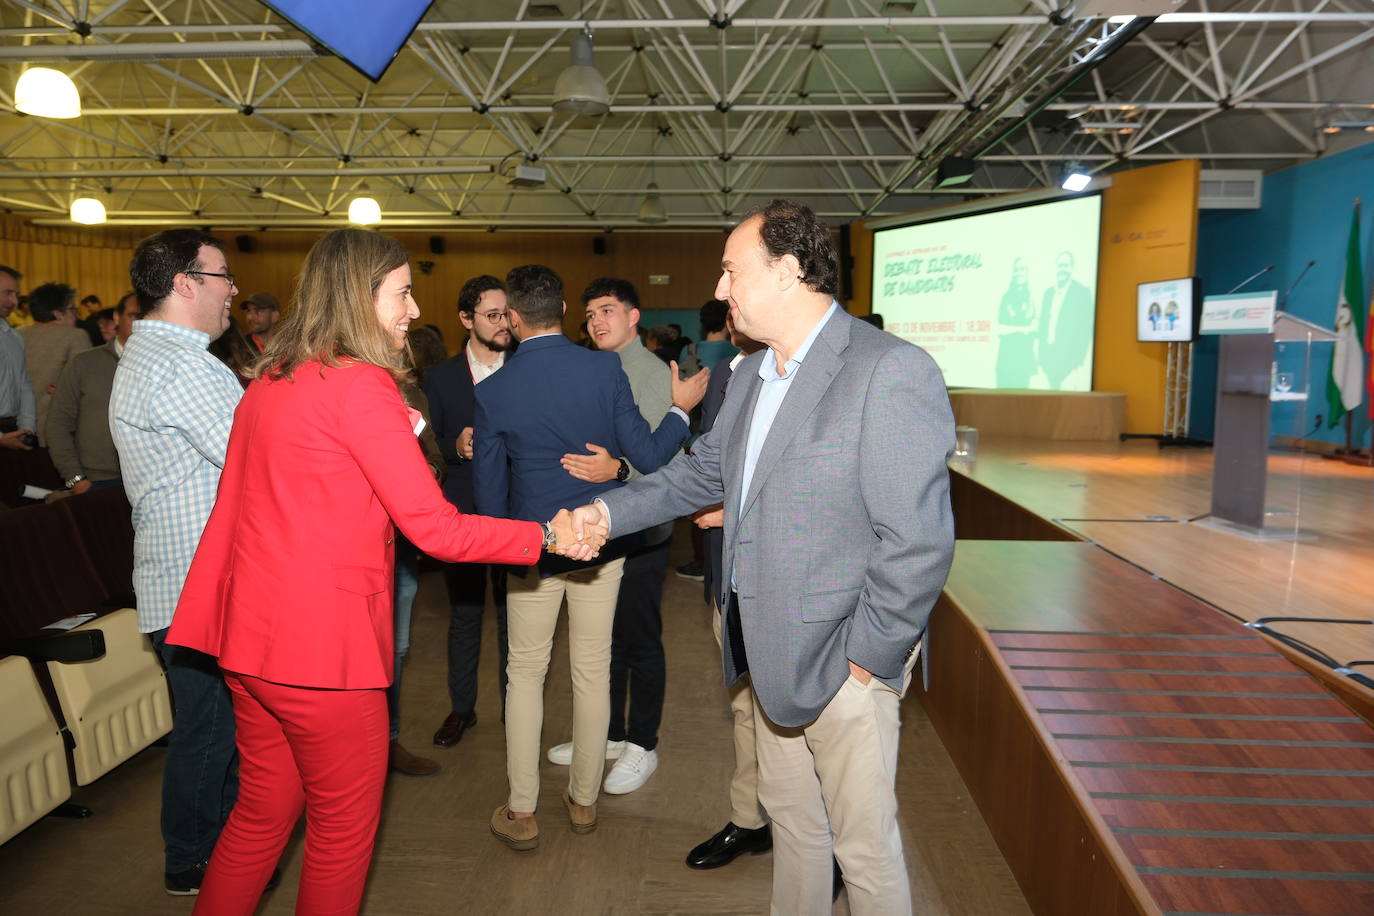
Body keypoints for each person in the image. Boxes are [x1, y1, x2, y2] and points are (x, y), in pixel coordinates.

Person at [166, 230, 604, 916]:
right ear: (358, 297)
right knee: (341, 837)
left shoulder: (274, 379)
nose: (410, 307)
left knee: (258, 818)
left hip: (248, 641)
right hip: (320, 655)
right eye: (400, 292)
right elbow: (435, 528)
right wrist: (545, 533)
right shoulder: (360, 386)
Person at [571, 199, 955, 915]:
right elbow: (696, 475)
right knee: (795, 828)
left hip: (845, 661)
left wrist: (865, 661)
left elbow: (919, 542)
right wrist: (604, 512)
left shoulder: (889, 370)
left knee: (864, 851)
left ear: (786, 271)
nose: (721, 292)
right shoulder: (747, 375)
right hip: (761, 649)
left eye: (731, 271)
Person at [473, 264, 705, 851]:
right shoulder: (604, 369)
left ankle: (522, 810)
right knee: (593, 671)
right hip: (602, 544)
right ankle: (583, 802)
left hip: (531, 550)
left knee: (524, 676)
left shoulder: (494, 390)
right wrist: (679, 410)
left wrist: (508, 552)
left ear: (516, 319)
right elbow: (650, 458)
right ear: (562, 309)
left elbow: (487, 495)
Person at [109, 229, 247, 896]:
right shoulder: (182, 365)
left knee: (210, 727)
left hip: (180, 578)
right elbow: (257, 463)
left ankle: (210, 855)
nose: (232, 292)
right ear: (186, 283)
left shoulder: (153, 356)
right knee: (212, 729)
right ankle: (196, 860)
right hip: (200, 585)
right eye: (223, 277)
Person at [545, 276, 702, 795]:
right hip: (597, 528)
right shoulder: (594, 368)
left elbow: (667, 467)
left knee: (638, 638)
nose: (597, 322)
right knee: (601, 639)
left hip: (641, 531)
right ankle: (608, 735)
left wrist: (615, 473)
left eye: (608, 311)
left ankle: (642, 743)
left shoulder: (654, 374)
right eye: (590, 314)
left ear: (635, 317)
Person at [683, 315, 772, 870]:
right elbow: (706, 466)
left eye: (735, 277)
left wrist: (732, 513)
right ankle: (750, 819)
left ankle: (827, 839)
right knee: (744, 708)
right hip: (727, 580)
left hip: (786, 592)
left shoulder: (814, 376)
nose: (725, 295)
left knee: (809, 728)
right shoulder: (724, 376)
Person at [423, 274, 515, 749]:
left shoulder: (525, 366)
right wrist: (454, 446)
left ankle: (513, 710)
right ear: (466, 319)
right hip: (460, 515)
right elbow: (424, 446)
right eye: (493, 315)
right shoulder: (439, 378)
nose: (504, 324)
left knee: (513, 616)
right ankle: (462, 709)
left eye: (507, 314)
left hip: (516, 514)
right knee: (464, 615)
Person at [46, 292, 141, 494]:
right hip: (99, 482)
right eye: (135, 316)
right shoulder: (84, 363)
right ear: (117, 317)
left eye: (150, 318)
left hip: (152, 482)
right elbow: (58, 423)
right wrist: (75, 478)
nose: (143, 325)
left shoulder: (166, 366)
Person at [19, 282, 91, 446]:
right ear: (58, 314)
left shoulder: (16, 334)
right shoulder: (75, 336)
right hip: (55, 432)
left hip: (16, 432)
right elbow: (84, 385)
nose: (76, 315)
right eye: (72, 309)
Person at [1036, 250, 1094, 390]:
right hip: (1048, 359)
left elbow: (1085, 331)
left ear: (1072, 268)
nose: (1062, 269)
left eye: (1066, 265)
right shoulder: (1048, 293)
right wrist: (1041, 357)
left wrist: (1078, 362)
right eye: (1060, 265)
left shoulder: (1082, 293)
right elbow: (1042, 325)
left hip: (1069, 362)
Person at [0, 264, 37, 452]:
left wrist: (27, 427)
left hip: (13, 432)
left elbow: (24, 384)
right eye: (7, 293)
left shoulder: (14, 338)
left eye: (16, 294)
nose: (14, 301)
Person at [995, 257, 1035, 388]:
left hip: (1024, 360)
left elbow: (1035, 328)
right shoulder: (1006, 297)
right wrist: (1022, 330)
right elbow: (999, 329)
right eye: (1017, 269)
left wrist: (1012, 330)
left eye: (1022, 269)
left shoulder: (1032, 297)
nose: (1019, 272)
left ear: (1027, 273)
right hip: (1005, 359)